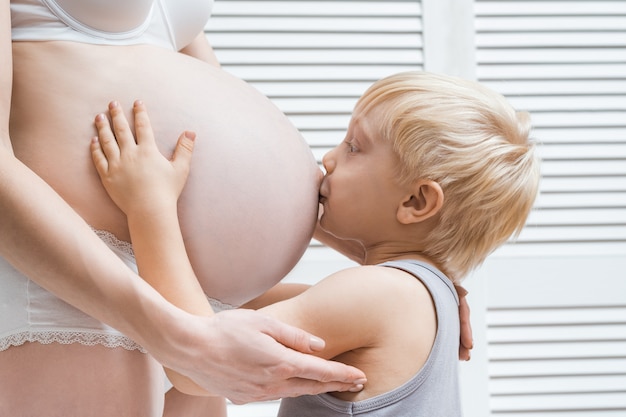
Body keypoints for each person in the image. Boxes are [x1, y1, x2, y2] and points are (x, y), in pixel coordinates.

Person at [90, 71, 539, 415]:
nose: (328, 158)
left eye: (354, 147)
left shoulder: (380, 295)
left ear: (416, 200)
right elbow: (224, 304)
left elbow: (195, 362)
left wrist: (149, 207)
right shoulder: (418, 296)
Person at [1, 1, 368, 415]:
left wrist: (408, 267)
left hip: (186, 284)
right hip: (76, 271)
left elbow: (219, 107)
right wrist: (183, 339)